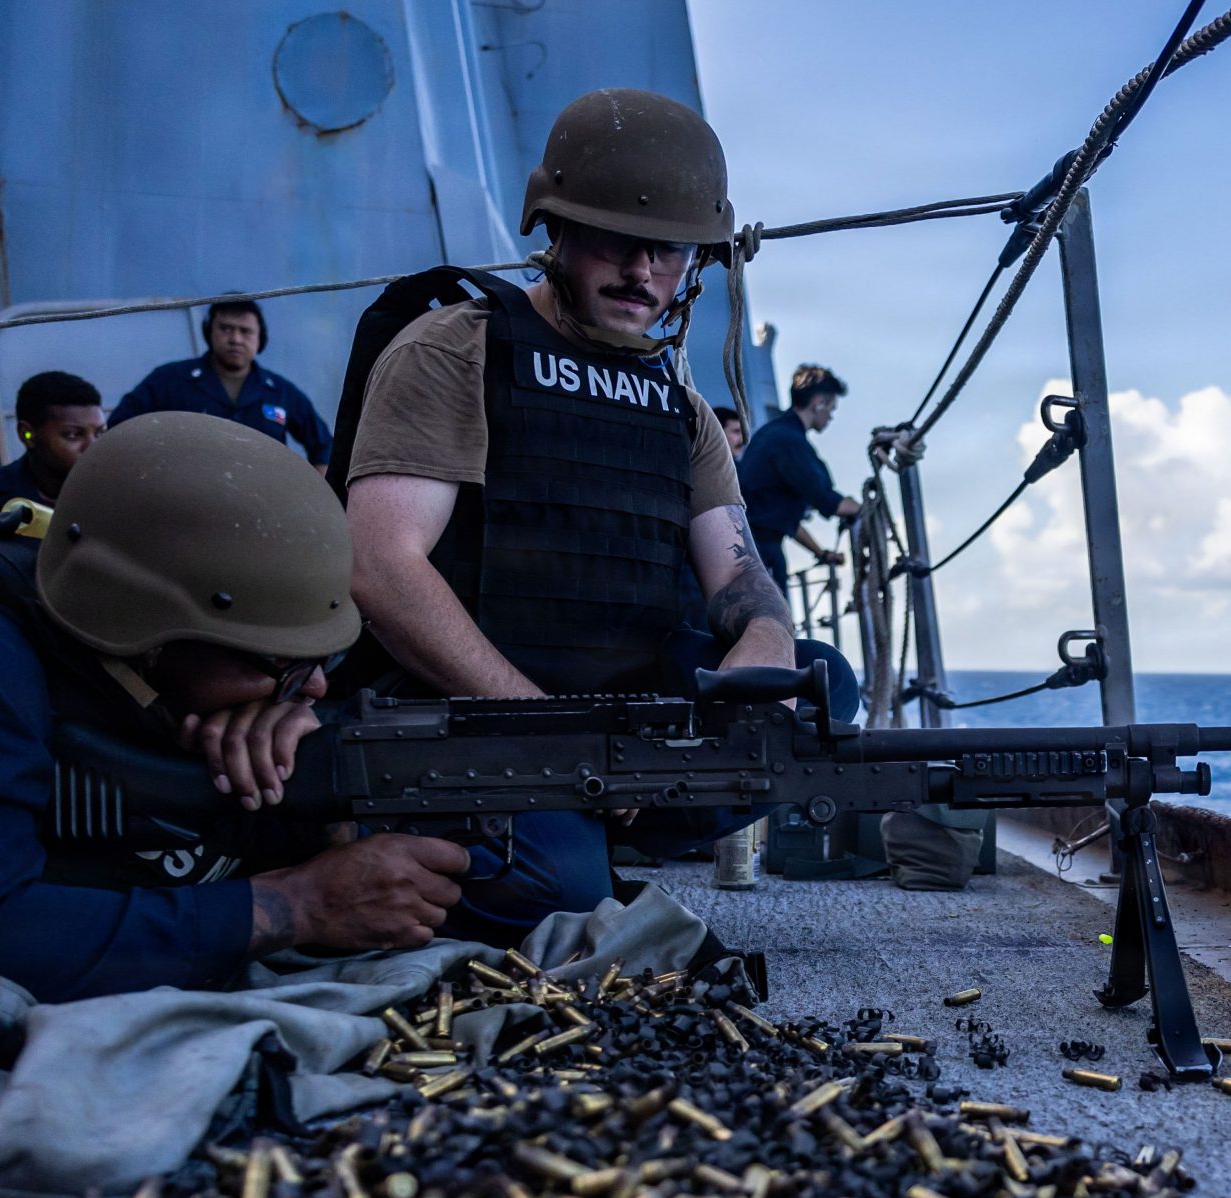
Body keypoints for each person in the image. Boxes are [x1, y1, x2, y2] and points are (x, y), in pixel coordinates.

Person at [0, 413, 528, 1004]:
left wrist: (295, 776)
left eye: (316, 663)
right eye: (280, 662)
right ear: (144, 632)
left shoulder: (114, 654)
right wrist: (294, 905)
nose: (316, 687)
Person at [328, 86, 860, 875]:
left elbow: (741, 578)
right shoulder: (456, 350)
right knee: (564, 889)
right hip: (468, 709)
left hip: (614, 706)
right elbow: (380, 566)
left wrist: (764, 640)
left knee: (821, 684)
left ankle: (602, 819)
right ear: (560, 229)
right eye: (616, 238)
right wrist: (551, 732)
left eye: (669, 249)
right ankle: (535, 835)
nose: (642, 269)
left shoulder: (679, 407)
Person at [111, 298, 333, 471]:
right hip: (185, 503)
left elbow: (325, 447)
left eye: (245, 331)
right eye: (226, 328)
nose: (235, 339)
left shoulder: (280, 391)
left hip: (262, 506)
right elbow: (119, 428)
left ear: (260, 338)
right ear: (209, 332)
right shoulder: (171, 380)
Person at [738, 364, 859, 589]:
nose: (830, 417)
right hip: (760, 554)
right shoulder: (788, 441)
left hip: (755, 547)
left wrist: (820, 553)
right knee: (771, 620)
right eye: (831, 409)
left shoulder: (774, 433)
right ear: (818, 403)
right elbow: (826, 499)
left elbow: (779, 518)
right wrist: (863, 510)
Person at [0, 371, 108, 524]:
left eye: (100, 433)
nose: (93, 446)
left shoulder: (119, 489)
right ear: (27, 434)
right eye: (73, 435)